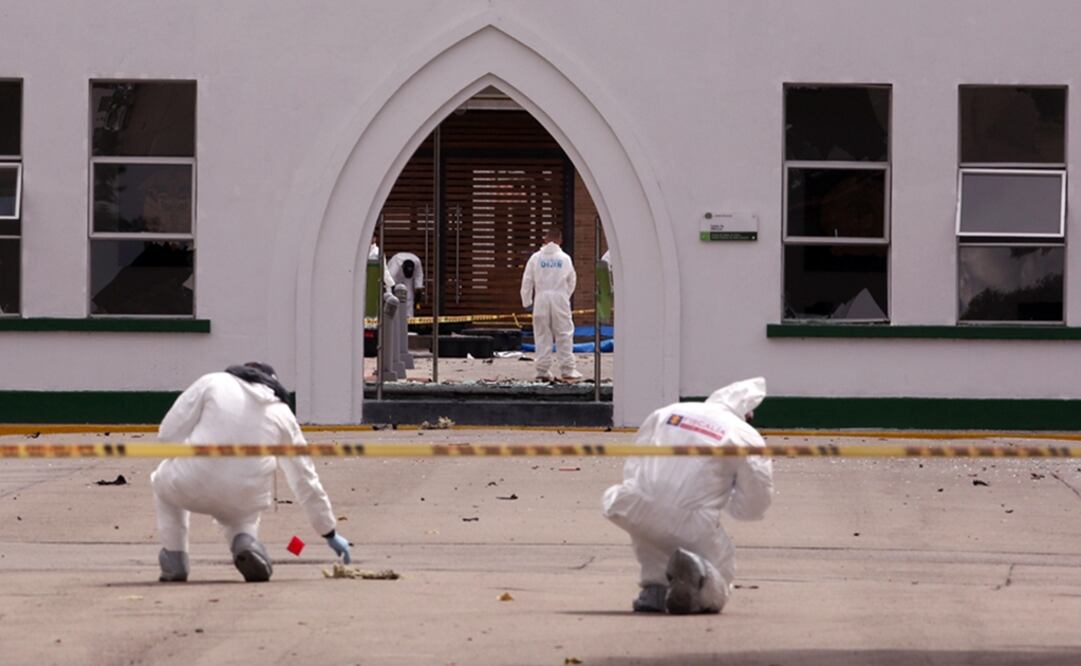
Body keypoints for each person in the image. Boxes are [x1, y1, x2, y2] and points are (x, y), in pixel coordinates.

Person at [150, 362, 351, 583]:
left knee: (161, 482)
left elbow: (167, 435)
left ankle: (175, 557)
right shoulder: (283, 413)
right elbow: (304, 478)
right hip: (245, 497)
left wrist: (189, 455)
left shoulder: (213, 382)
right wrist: (329, 532)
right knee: (244, 514)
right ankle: (245, 540)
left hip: (191, 481)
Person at [602, 377, 773, 614]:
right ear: (746, 413)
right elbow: (756, 499)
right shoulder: (744, 434)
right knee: (721, 571)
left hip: (637, 504)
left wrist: (639, 491)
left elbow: (637, 458)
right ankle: (699, 575)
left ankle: (655, 591)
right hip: (692, 521)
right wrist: (733, 504)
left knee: (652, 544)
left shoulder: (669, 412)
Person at [520, 227, 582, 381]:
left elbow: (527, 281)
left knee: (542, 334)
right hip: (559, 297)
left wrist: (527, 301)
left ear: (545, 240)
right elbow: (572, 280)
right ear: (560, 240)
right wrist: (565, 295)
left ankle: (542, 370)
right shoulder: (565, 258)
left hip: (541, 298)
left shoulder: (535, 258)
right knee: (564, 333)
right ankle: (568, 369)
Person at [386, 251, 425, 320]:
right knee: (395, 297)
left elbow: (418, 286)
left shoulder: (417, 263)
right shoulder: (395, 266)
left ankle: (409, 318)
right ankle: (393, 318)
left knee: (409, 296)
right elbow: (388, 283)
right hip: (396, 277)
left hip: (408, 280)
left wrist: (416, 302)